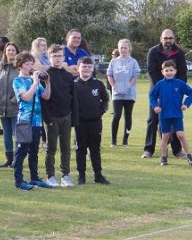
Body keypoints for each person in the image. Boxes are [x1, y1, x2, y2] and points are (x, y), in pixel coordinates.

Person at [12, 52, 53, 191]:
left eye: (31, 64)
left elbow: (46, 96)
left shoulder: (32, 81)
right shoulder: (17, 81)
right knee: (21, 152)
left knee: (34, 151)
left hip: (37, 122)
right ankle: (18, 181)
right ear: (20, 66)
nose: (30, 67)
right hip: (24, 121)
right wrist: (35, 83)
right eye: (27, 64)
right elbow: (26, 98)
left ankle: (34, 178)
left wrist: (47, 82)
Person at [143, 30, 186, 158]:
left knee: (174, 120)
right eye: (165, 38)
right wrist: (161, 91)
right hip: (156, 92)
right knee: (153, 120)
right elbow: (152, 73)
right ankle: (148, 149)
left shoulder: (179, 53)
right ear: (161, 38)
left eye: (170, 38)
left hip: (174, 94)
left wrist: (177, 90)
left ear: (174, 39)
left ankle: (177, 150)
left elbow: (182, 74)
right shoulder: (153, 52)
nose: (168, 40)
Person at [71, 56, 111, 184]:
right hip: (80, 123)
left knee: (95, 149)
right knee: (80, 149)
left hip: (95, 122)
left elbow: (105, 100)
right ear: (78, 68)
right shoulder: (73, 85)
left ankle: (98, 175)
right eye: (84, 66)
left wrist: (100, 112)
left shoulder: (98, 84)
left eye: (89, 66)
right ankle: (81, 176)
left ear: (93, 68)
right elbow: (69, 102)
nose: (86, 69)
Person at [150, 60, 192, 166]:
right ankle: (163, 157)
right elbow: (152, 96)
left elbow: (191, 93)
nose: (169, 72)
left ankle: (189, 156)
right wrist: (155, 106)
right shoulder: (160, 84)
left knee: (180, 135)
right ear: (163, 72)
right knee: (165, 136)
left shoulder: (180, 84)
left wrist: (186, 104)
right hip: (164, 115)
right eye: (166, 70)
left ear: (175, 71)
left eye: (171, 70)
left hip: (177, 115)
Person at [42, 45, 76, 187]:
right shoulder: (45, 76)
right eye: (54, 56)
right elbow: (43, 100)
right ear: (49, 58)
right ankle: (50, 176)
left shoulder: (68, 76)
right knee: (51, 148)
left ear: (63, 58)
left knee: (66, 148)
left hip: (66, 116)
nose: (57, 59)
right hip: (52, 118)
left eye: (60, 56)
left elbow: (73, 98)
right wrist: (47, 118)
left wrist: (74, 118)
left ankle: (65, 175)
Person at [0, 42, 22, 167]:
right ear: (5, 52)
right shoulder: (1, 67)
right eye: (8, 50)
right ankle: (8, 159)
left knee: (16, 135)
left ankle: (16, 159)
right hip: (2, 107)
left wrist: (15, 99)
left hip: (15, 107)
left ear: (17, 52)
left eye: (13, 50)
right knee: (7, 134)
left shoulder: (20, 68)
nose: (10, 52)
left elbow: (23, 85)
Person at [107, 39, 139, 147]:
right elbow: (109, 74)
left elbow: (135, 75)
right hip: (117, 94)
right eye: (121, 48)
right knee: (117, 115)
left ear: (129, 48)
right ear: (118, 48)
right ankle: (113, 141)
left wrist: (128, 86)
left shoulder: (133, 62)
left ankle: (125, 141)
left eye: (125, 48)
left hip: (129, 94)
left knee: (128, 116)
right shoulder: (114, 61)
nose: (123, 50)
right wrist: (114, 86)